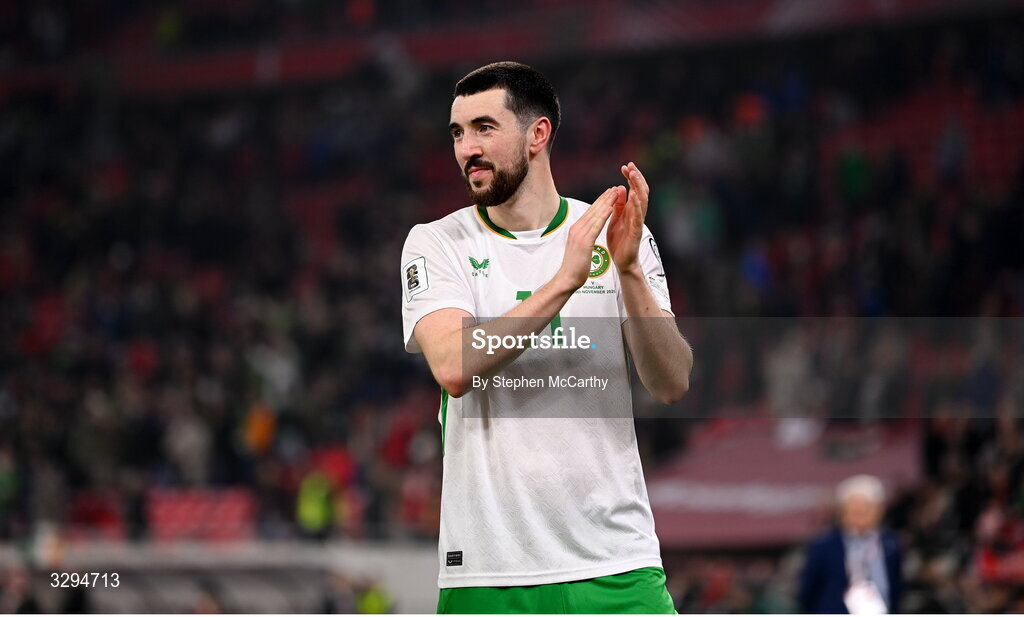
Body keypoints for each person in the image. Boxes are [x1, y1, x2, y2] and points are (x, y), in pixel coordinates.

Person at [400, 61, 692, 613]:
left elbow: (673, 380)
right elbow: (453, 365)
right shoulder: (437, 243)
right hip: (490, 572)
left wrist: (627, 271)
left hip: (616, 562)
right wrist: (565, 280)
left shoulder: (615, 235)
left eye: (484, 128)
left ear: (538, 134)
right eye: (458, 133)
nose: (467, 149)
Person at [799, 475, 903, 614]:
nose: (859, 512)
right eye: (854, 507)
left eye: (866, 507)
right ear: (842, 511)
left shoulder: (891, 544)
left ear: (879, 510)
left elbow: (897, 586)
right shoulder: (823, 546)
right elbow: (807, 592)